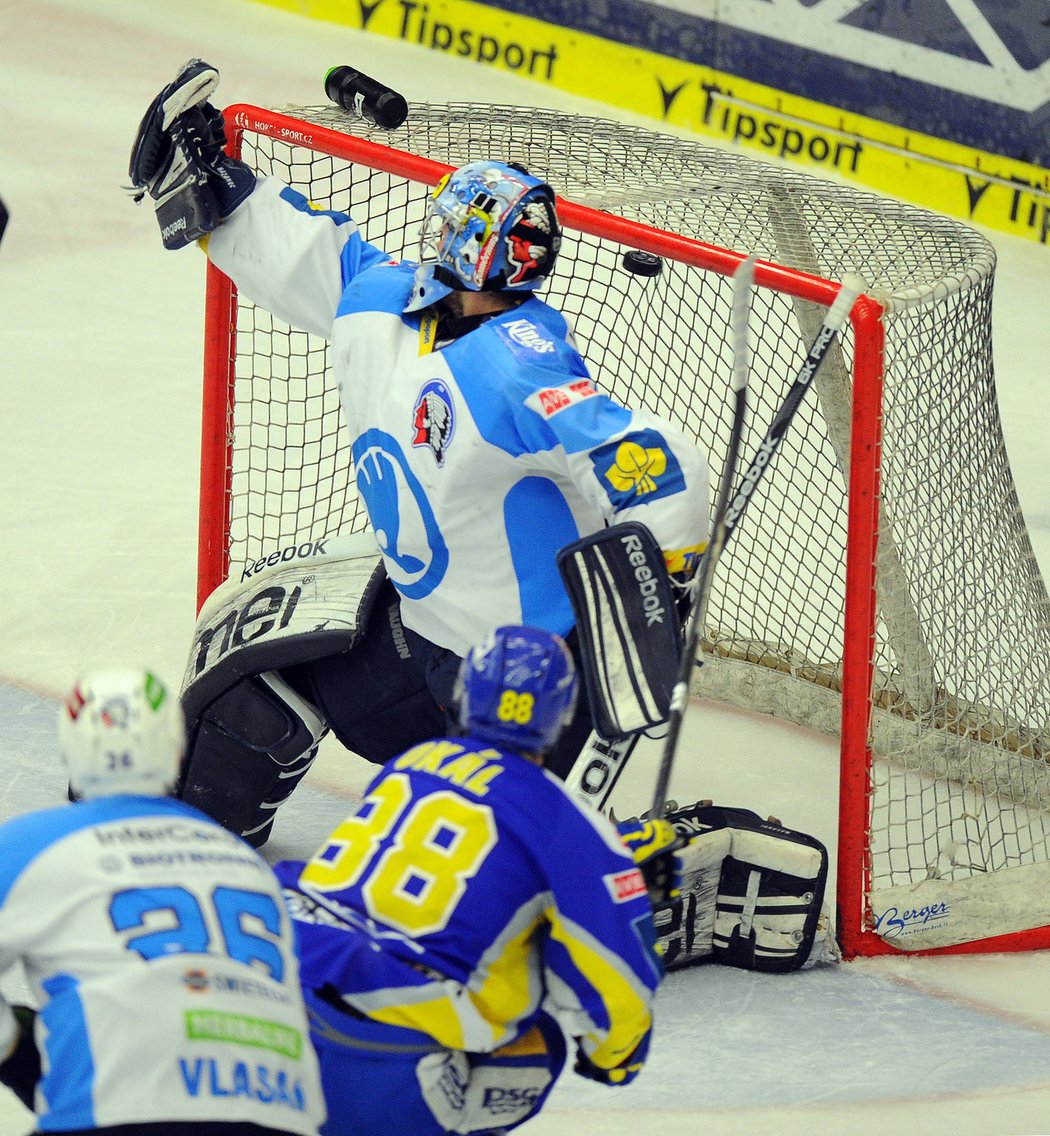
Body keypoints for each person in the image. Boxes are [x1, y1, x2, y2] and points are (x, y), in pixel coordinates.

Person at [128, 60, 711, 846]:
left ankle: (598, 854)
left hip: (521, 689)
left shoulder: (520, 367)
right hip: (420, 636)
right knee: (250, 696)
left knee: (478, 880)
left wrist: (669, 574)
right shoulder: (380, 297)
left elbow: (651, 456)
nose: (438, 238)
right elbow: (303, 251)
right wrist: (210, 184)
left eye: (451, 227)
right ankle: (188, 838)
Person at [272, 625, 681, 1136]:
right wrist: (618, 1054)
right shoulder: (571, 824)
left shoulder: (411, 764)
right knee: (539, 1043)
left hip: (275, 998)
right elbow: (612, 982)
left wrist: (601, 863)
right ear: (562, 715)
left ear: (463, 694)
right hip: (380, 1061)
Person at [0, 668, 325, 1136]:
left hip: (116, 1114)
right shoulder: (243, 861)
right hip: (279, 1117)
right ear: (175, 749)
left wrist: (16, 1051)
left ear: (70, 747)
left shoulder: (33, 844)